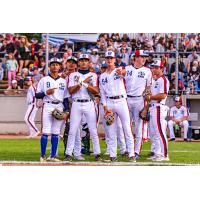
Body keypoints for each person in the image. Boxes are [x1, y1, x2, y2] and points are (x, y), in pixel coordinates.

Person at [99, 51, 135, 162]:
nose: (109, 60)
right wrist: (105, 106)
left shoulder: (118, 70)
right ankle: (113, 155)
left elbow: (127, 73)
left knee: (127, 129)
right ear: (105, 59)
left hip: (121, 101)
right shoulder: (102, 76)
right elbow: (102, 93)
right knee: (111, 131)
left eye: (111, 58)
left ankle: (131, 154)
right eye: (107, 58)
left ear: (115, 59)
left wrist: (123, 72)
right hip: (109, 102)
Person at [65, 53, 101, 161]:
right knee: (73, 130)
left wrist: (85, 84)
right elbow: (71, 91)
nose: (84, 62)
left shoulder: (94, 75)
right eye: (81, 60)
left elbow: (96, 91)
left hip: (89, 102)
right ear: (78, 62)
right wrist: (83, 82)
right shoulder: (72, 75)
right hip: (76, 102)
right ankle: (68, 153)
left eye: (86, 60)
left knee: (93, 129)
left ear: (89, 62)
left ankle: (97, 153)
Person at [35, 57, 69, 162]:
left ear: (60, 67)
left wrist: (67, 110)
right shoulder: (44, 80)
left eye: (57, 64)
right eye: (53, 64)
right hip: (48, 105)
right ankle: (43, 155)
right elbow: (37, 95)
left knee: (56, 132)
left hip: (59, 106)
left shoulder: (63, 81)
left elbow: (66, 98)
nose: (55, 66)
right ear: (50, 66)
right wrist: (46, 93)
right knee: (45, 131)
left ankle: (53, 155)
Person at [121, 50, 152, 159]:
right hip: (126, 99)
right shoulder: (127, 69)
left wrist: (146, 106)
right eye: (141, 57)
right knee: (125, 126)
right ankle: (127, 149)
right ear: (136, 58)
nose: (144, 59)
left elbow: (148, 89)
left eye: (145, 57)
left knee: (138, 127)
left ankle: (136, 151)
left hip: (140, 99)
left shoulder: (147, 71)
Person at [146, 60, 170, 161]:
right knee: (153, 132)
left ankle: (165, 155)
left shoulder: (163, 79)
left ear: (161, 68)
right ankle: (157, 153)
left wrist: (150, 97)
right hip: (153, 106)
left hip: (159, 106)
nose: (154, 69)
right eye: (153, 67)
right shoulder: (155, 80)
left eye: (156, 67)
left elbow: (163, 95)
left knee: (160, 131)